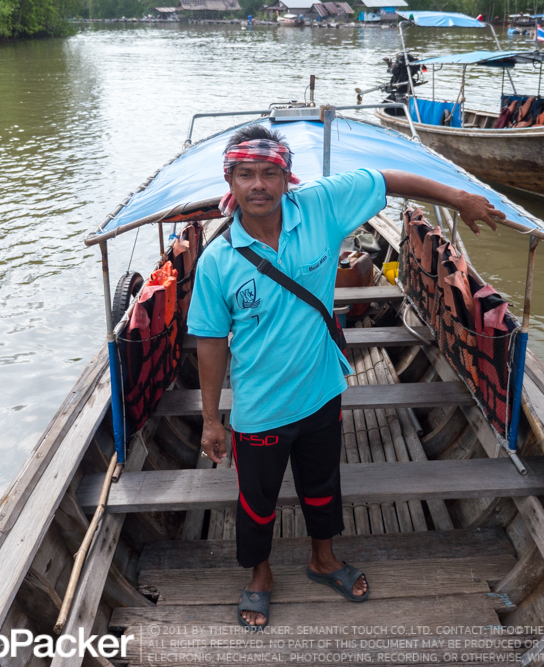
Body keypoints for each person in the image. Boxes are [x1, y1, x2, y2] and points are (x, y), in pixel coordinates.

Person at [186, 123, 505, 628]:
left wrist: (460, 196)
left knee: (321, 484)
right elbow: (209, 341)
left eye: (270, 173)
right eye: (245, 174)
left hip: (322, 392)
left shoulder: (320, 205)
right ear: (230, 181)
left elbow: (387, 178)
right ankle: (260, 574)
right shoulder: (217, 261)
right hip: (259, 408)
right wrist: (210, 419)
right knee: (256, 499)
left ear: (287, 177)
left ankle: (323, 558)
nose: (258, 186)